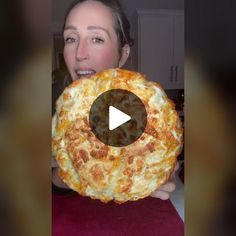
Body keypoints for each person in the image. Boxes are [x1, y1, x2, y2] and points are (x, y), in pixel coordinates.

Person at [52, 0, 178, 200]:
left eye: (97, 39)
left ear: (123, 54)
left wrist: (149, 169)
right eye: (70, 38)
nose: (79, 53)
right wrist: (67, 173)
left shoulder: (148, 108)